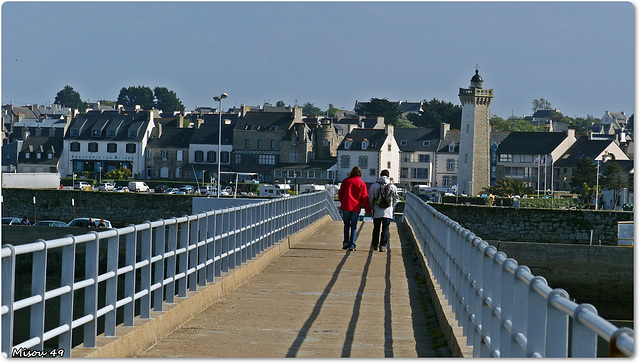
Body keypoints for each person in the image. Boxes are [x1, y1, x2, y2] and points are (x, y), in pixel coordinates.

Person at [338, 166, 371, 251]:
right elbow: (364, 198)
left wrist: (343, 202)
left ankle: (345, 242)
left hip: (346, 206)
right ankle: (352, 244)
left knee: (346, 225)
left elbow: (340, 194)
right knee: (353, 226)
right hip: (356, 207)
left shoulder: (346, 181)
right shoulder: (362, 183)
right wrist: (368, 210)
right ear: (360, 173)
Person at [368, 169, 398, 252]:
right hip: (388, 211)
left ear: (380, 175)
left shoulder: (374, 186)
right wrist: (392, 207)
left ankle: (374, 245)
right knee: (385, 228)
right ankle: (383, 246)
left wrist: (371, 208)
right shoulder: (392, 186)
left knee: (376, 228)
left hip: (377, 210)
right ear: (388, 176)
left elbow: (371, 198)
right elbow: (396, 199)